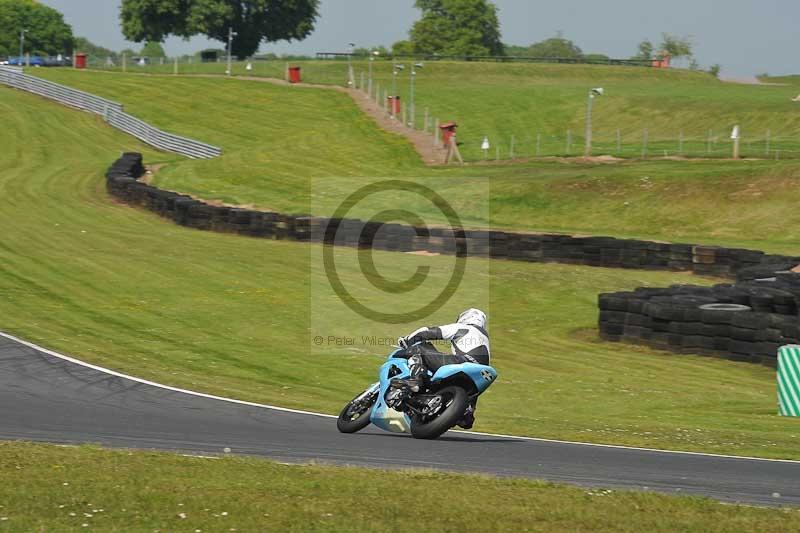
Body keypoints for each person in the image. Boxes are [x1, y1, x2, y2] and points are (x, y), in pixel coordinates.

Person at [394, 308, 490, 429]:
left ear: (466, 317)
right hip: (475, 376)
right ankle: (467, 412)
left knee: (419, 348)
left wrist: (407, 340)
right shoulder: (485, 338)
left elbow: (429, 332)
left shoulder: (465, 328)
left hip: (462, 363)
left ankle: (416, 380)